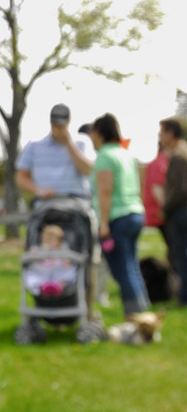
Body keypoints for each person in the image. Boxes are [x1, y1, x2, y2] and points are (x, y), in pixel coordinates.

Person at [87, 113, 150, 317]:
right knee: (132, 267)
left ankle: (136, 318)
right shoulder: (125, 153)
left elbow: (105, 191)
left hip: (117, 218)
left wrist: (103, 223)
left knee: (123, 271)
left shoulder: (105, 156)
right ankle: (144, 311)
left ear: (99, 133)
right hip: (135, 213)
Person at [16, 104, 95, 203]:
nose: (57, 128)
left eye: (61, 125)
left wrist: (68, 143)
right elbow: (21, 177)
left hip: (77, 202)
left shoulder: (82, 142)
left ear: (68, 122)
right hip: (46, 204)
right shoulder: (33, 145)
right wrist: (39, 190)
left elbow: (88, 170)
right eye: (55, 124)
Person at [159, 117, 187, 306]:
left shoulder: (178, 155)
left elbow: (178, 189)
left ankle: (183, 297)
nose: (160, 137)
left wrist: (165, 208)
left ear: (170, 133)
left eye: (161, 133)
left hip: (180, 212)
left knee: (181, 255)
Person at [24, 224, 77, 297]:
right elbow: (33, 260)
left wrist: (67, 262)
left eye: (51, 240)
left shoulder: (64, 250)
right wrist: (34, 255)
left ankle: (59, 286)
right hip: (44, 273)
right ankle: (42, 287)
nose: (47, 243)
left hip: (58, 273)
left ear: (59, 242)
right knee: (33, 274)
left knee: (70, 272)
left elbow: (70, 261)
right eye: (45, 240)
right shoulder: (39, 249)